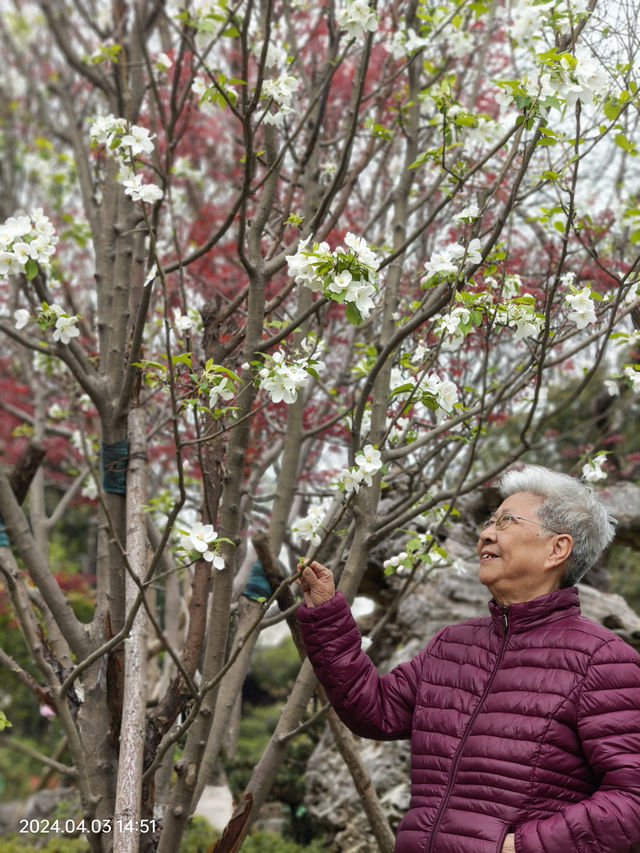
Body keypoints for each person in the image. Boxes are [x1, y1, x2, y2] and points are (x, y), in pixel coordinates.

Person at [297, 465, 640, 853]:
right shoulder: (452, 645)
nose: (486, 534)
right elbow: (374, 710)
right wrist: (326, 616)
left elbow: (632, 799)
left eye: (507, 521)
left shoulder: (605, 661)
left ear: (557, 549)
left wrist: (521, 847)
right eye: (490, 521)